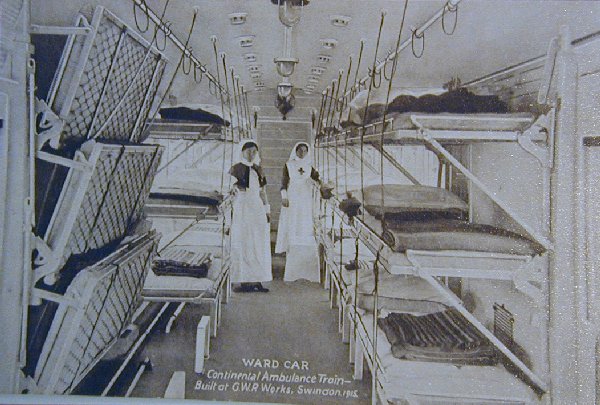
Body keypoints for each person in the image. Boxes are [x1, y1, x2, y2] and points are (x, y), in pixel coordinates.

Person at [229, 140, 272, 292]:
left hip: (257, 207)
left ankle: (256, 279)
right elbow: (230, 189)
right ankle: (243, 280)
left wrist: (267, 210)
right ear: (242, 152)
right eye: (249, 151)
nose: (251, 154)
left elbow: (263, 192)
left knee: (258, 243)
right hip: (242, 207)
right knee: (244, 242)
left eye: (254, 152)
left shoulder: (258, 169)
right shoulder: (235, 169)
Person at [275, 142, 321, 283]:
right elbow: (283, 183)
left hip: (305, 197)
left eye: (304, 151)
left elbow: (317, 179)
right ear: (295, 151)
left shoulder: (309, 166)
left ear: (308, 152)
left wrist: (323, 185)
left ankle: (302, 253)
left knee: (304, 223)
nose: (302, 153)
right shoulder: (289, 165)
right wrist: (284, 197)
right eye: (299, 150)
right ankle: (290, 250)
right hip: (293, 196)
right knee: (292, 222)